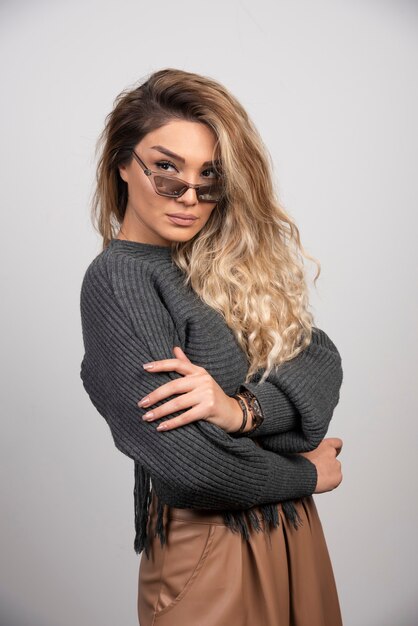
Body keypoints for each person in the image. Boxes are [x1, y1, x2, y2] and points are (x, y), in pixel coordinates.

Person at [79, 67, 344, 626]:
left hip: (289, 532)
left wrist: (238, 411)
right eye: (167, 171)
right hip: (215, 545)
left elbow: (320, 357)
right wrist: (305, 474)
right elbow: (193, 468)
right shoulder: (119, 280)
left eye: (210, 178)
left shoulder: (213, 265)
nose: (190, 196)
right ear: (123, 164)